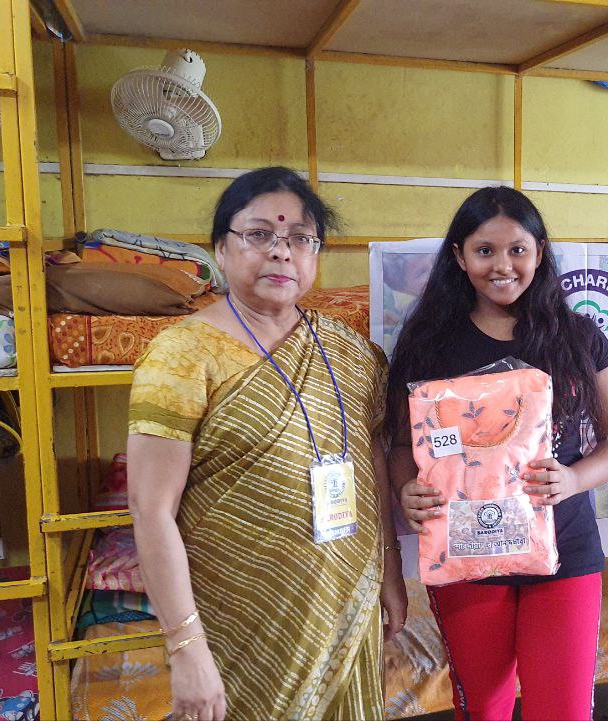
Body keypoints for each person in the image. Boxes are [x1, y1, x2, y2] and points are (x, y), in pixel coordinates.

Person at [126, 167, 406, 721]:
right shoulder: (182, 356)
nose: (281, 252)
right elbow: (150, 510)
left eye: (300, 238)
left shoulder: (352, 352)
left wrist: (390, 573)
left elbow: (371, 461)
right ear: (220, 249)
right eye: (259, 234)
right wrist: (186, 648)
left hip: (343, 602)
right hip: (235, 619)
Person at [386, 186, 608, 721]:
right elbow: (403, 445)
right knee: (484, 707)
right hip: (465, 552)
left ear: (539, 253)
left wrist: (573, 479)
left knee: (563, 711)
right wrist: (407, 488)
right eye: (485, 250)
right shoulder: (429, 343)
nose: (503, 266)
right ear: (460, 256)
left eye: (518, 249)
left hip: (564, 549)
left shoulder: (579, 337)